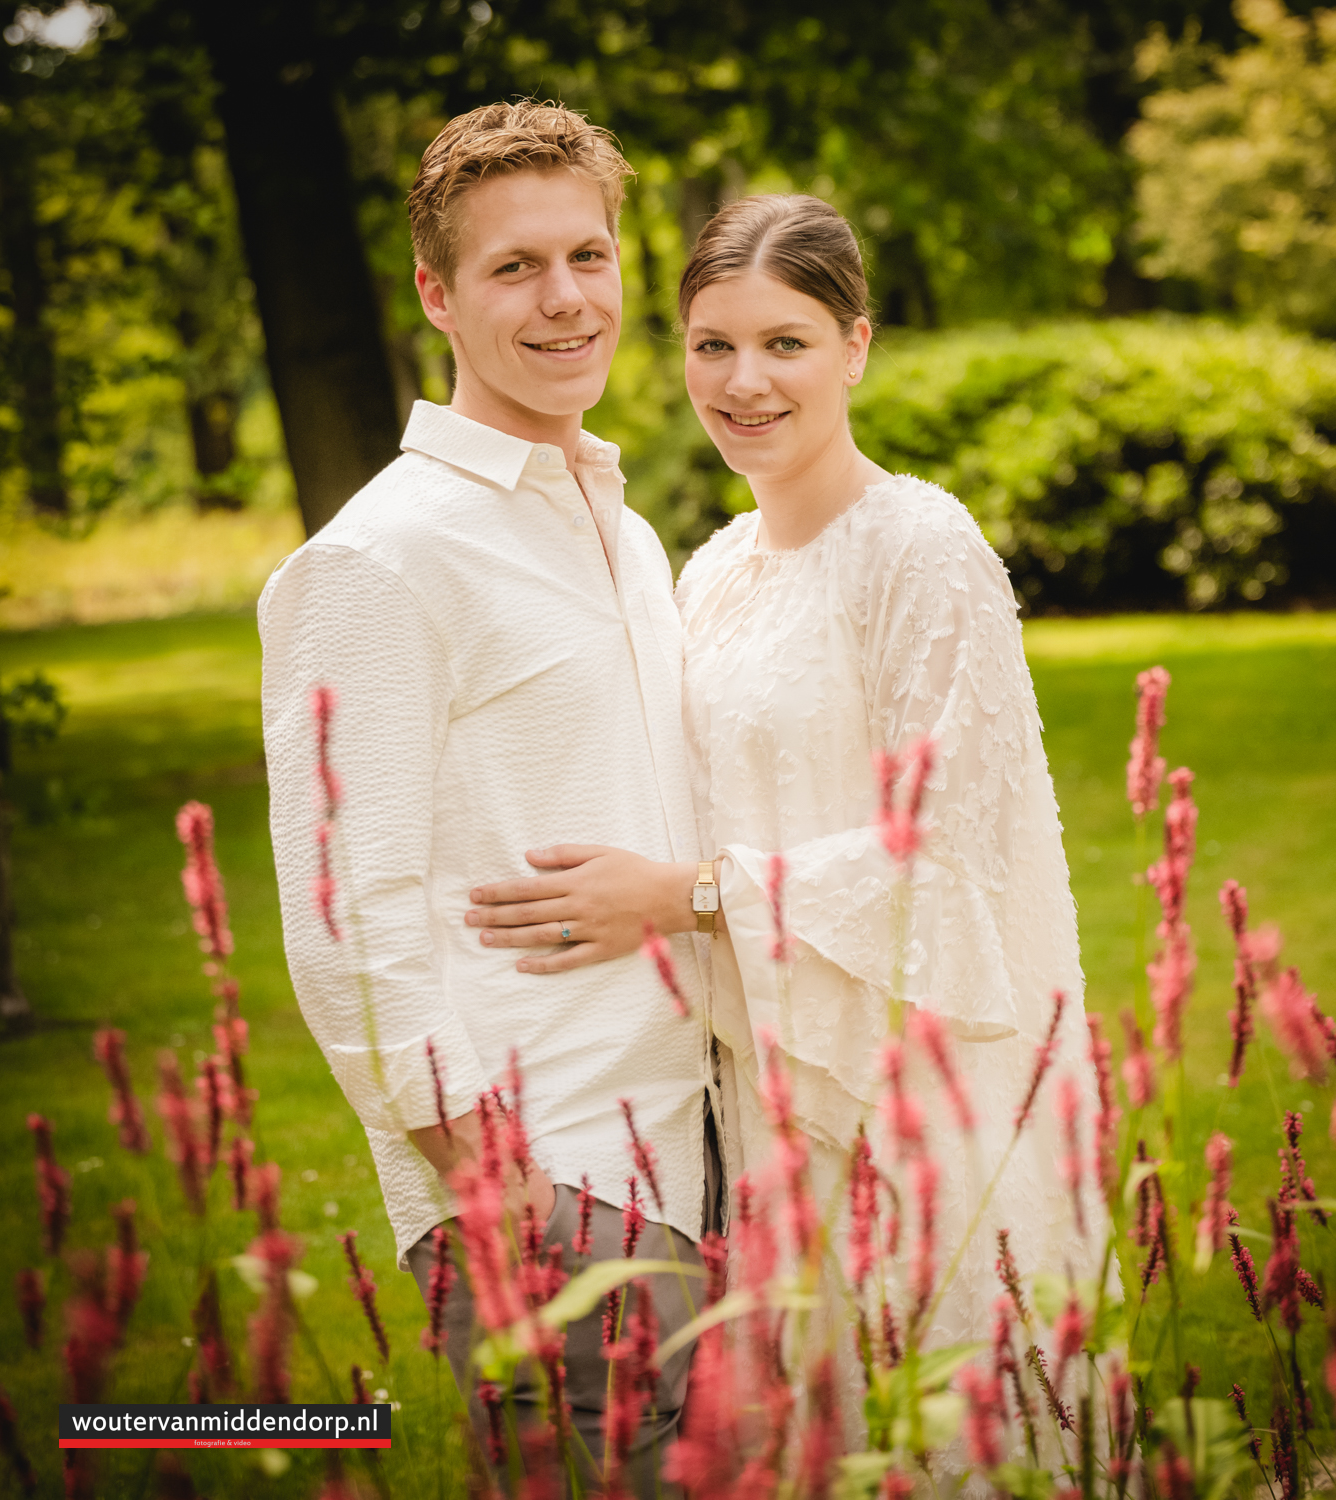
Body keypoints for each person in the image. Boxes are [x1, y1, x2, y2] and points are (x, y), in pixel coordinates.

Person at [466, 193, 1103, 1428]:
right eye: (713, 345)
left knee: (943, 1421)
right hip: (764, 1092)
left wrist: (687, 895)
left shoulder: (923, 549)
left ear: (855, 345)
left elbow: (952, 851)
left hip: (920, 1080)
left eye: (785, 343)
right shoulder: (708, 573)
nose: (744, 381)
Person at [258, 102, 724, 1492]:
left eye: (589, 254)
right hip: (555, 1169)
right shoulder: (382, 561)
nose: (566, 298)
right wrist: (489, 1181)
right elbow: (344, 916)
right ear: (436, 296)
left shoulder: (621, 527)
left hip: (699, 1141)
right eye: (516, 267)